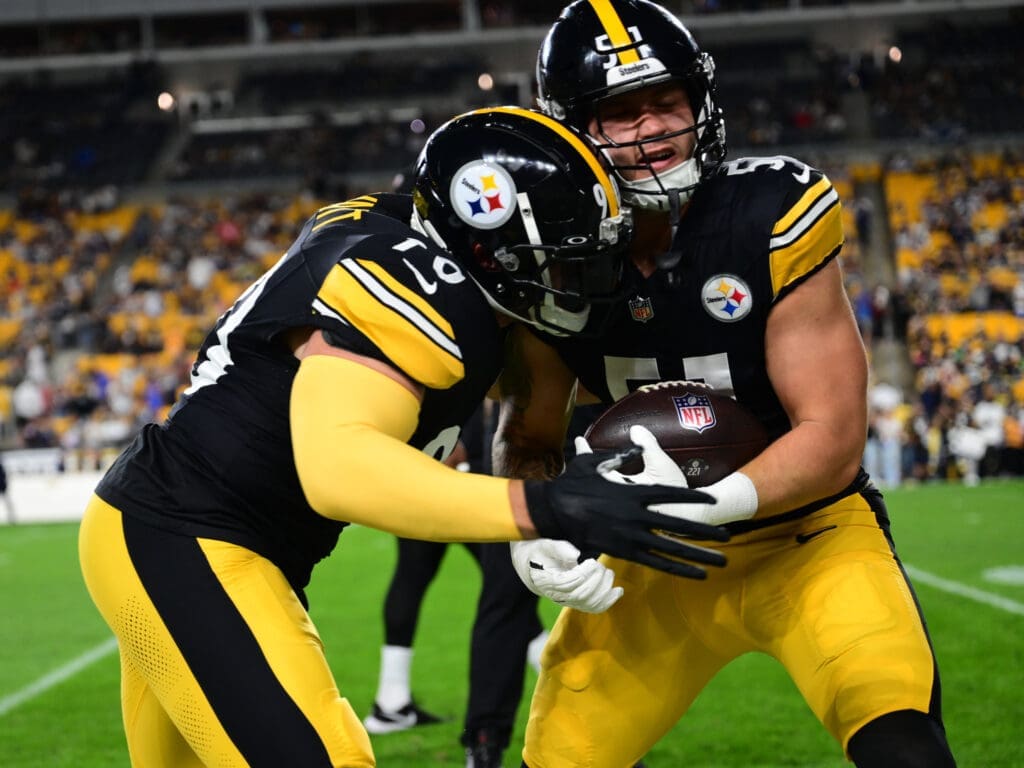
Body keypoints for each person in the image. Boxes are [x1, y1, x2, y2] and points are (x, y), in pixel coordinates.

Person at [77, 105, 731, 768]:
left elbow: (522, 414)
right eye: (564, 259)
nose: (583, 277)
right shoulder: (420, 288)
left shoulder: (440, 268)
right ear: (488, 241)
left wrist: (539, 524)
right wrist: (544, 508)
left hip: (207, 539)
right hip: (186, 533)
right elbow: (336, 466)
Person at [496, 3, 959, 767]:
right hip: (649, 560)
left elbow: (833, 437)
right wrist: (532, 524)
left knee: (900, 738)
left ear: (700, 103)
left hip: (804, 538)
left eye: (666, 101)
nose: (653, 128)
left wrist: (706, 503)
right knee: (561, 759)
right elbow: (531, 434)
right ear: (575, 129)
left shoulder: (769, 211)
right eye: (619, 112)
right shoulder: (547, 251)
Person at [364, 402, 550, 768]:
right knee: (506, 588)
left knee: (418, 577)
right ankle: (561, 680)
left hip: (429, 462)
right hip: (467, 469)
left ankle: (391, 702)